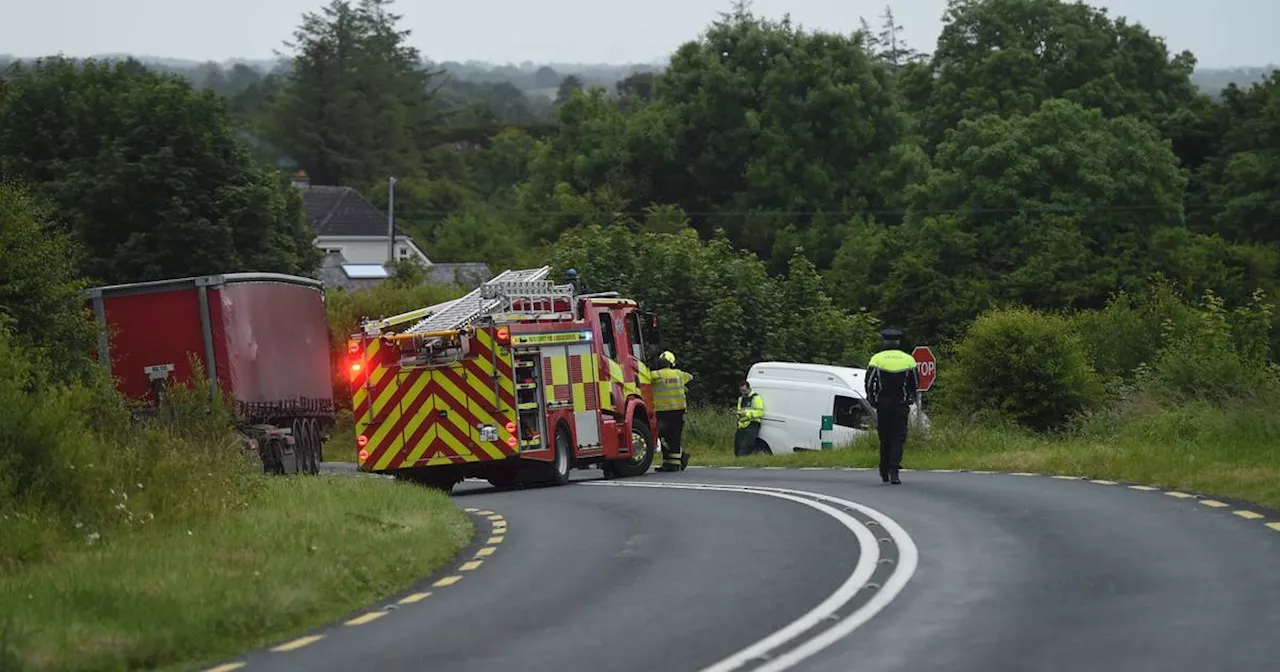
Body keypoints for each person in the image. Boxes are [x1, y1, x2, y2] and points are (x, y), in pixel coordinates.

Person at [864, 328, 919, 484]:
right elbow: (915, 383)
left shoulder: (877, 359)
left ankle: (883, 470)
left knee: (885, 437)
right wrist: (910, 399)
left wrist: (872, 399)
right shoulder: (908, 359)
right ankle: (894, 471)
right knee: (898, 438)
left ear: (885, 341)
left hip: (883, 405)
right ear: (898, 342)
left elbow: (869, 382)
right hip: (901, 405)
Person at [652, 351, 693, 472]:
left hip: (662, 410)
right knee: (674, 436)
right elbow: (690, 377)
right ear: (671, 364)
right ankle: (674, 462)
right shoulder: (679, 374)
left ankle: (673, 462)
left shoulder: (655, 375)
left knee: (658, 436)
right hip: (678, 410)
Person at [734, 379, 765, 457]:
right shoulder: (741, 399)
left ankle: (743, 460)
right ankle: (738, 460)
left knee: (747, 445)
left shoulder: (756, 398)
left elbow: (760, 412)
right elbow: (739, 410)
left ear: (748, 388)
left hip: (753, 423)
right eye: (741, 391)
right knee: (737, 446)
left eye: (744, 390)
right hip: (742, 424)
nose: (743, 392)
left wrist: (747, 413)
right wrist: (739, 414)